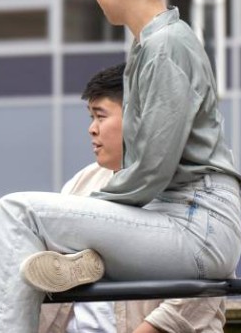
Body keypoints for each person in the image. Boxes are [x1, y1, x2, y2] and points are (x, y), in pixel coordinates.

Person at [0, 0, 241, 333]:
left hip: (194, 227)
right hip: (179, 220)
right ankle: (81, 257)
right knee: (29, 224)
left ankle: (80, 254)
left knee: (15, 213)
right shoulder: (152, 44)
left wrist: (89, 210)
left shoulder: (166, 46)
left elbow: (150, 170)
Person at [39, 63, 225, 333]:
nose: (92, 129)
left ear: (139, 117)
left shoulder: (192, 184)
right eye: (90, 117)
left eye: (100, 116)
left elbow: (207, 285)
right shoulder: (81, 184)